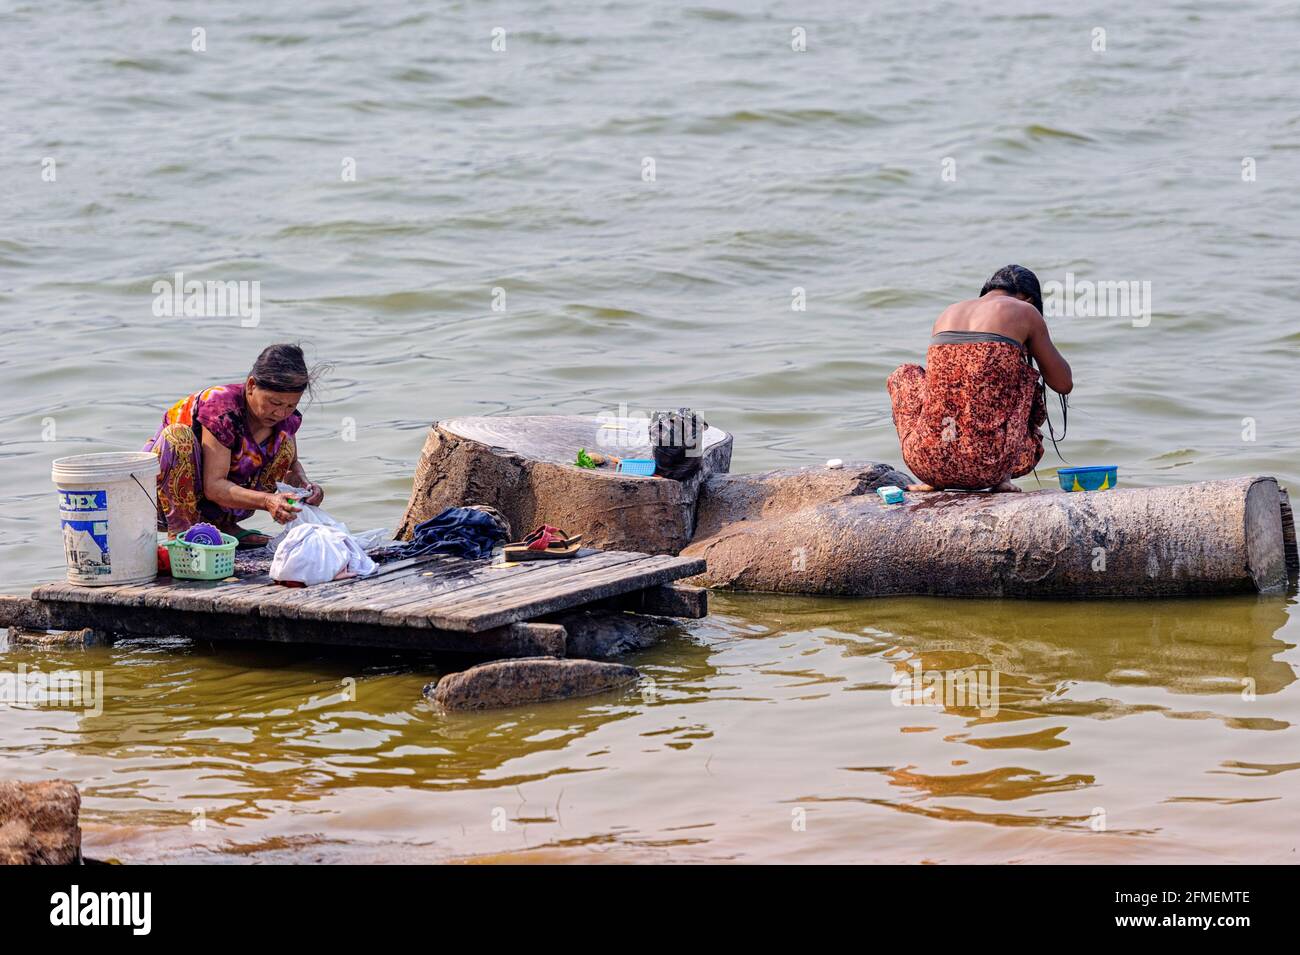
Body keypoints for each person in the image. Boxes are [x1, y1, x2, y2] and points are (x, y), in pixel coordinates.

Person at [886, 265, 1072, 493]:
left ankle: (935, 476)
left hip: (926, 463)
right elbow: (1063, 383)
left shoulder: (950, 311)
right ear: (1029, 298)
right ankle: (1002, 478)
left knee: (906, 375)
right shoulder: (1026, 310)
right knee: (1022, 375)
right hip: (989, 467)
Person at [142, 343, 326, 547]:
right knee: (178, 437)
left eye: (291, 405)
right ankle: (183, 536)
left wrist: (303, 486)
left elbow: (290, 467)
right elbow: (214, 486)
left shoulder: (285, 422)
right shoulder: (221, 407)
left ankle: (222, 525)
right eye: (274, 403)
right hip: (160, 502)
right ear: (251, 386)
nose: (281, 413)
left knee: (285, 447)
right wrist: (267, 501)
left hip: (217, 506)